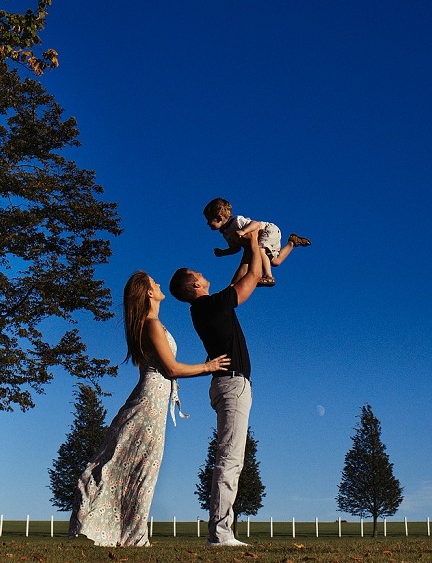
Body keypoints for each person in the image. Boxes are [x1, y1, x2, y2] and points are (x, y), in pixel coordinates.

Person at [71, 271, 231, 547]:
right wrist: (209, 367)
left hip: (155, 404)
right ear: (147, 292)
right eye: (153, 283)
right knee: (139, 467)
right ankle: (132, 536)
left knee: (141, 468)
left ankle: (129, 534)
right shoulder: (151, 324)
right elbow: (171, 369)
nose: (158, 284)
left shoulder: (152, 324)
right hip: (148, 404)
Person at [169, 230, 265, 547]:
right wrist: (254, 243)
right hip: (231, 385)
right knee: (230, 459)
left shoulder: (209, 306)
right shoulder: (210, 306)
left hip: (229, 384)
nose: (203, 274)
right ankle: (221, 534)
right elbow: (251, 279)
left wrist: (244, 250)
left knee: (230, 457)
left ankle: (221, 531)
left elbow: (239, 277)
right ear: (195, 285)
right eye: (198, 273)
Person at [202, 196, 310, 286]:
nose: (207, 224)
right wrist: (223, 252)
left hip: (268, 229)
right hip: (262, 239)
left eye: (209, 220)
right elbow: (236, 248)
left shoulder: (237, 221)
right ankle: (293, 242)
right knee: (275, 262)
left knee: (260, 249)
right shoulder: (226, 233)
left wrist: (243, 231)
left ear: (220, 218)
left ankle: (268, 276)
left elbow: (256, 224)